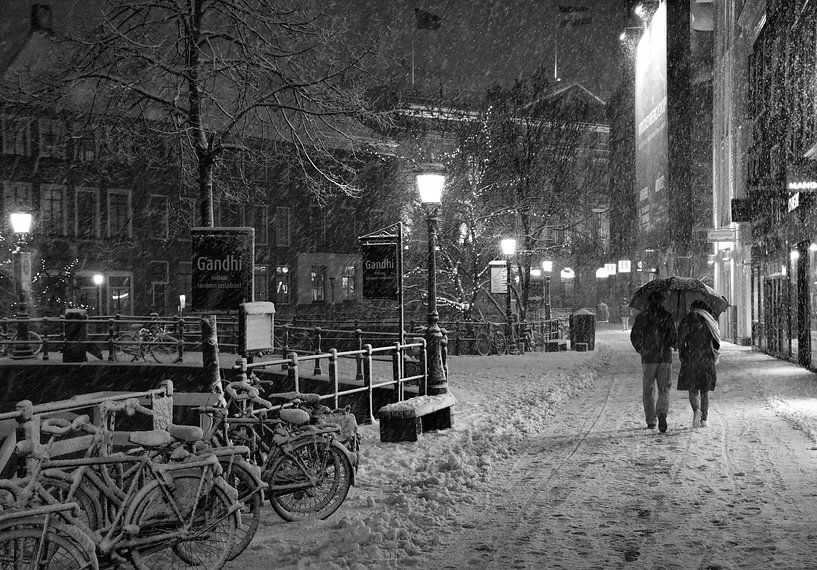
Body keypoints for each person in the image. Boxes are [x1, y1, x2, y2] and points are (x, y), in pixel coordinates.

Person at [630, 291, 677, 432]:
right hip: (664, 358)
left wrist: (642, 349)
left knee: (648, 389)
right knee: (664, 389)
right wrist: (671, 344)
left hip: (648, 358)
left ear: (649, 302)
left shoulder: (642, 317)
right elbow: (673, 338)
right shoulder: (667, 317)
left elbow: (634, 336)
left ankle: (651, 420)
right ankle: (662, 413)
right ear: (662, 301)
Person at [677, 300, 721, 428]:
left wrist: (683, 353)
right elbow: (717, 343)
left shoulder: (687, 319)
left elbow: (680, 340)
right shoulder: (710, 321)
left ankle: (696, 410)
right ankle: (704, 420)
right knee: (704, 391)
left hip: (691, 358)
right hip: (707, 359)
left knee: (693, 389)